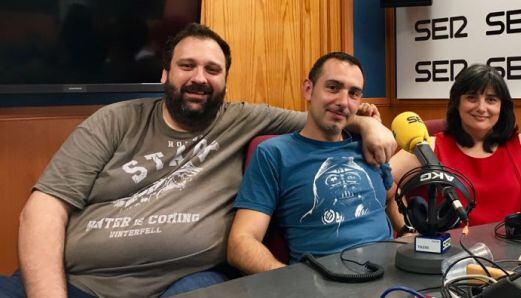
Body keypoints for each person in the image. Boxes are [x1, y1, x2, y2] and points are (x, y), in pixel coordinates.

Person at [2, 24, 396, 298]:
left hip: (185, 282)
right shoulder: (115, 120)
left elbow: (325, 118)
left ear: (225, 80)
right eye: (187, 66)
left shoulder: (244, 119)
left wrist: (367, 125)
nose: (200, 78)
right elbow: (43, 210)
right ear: (165, 74)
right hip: (79, 281)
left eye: (213, 69)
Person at [227, 52, 392, 273]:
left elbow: (389, 194)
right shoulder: (274, 153)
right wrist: (293, 285)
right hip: (327, 282)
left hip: (392, 271)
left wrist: (409, 232)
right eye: (333, 87)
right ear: (308, 89)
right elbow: (241, 242)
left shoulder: (368, 142)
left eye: (353, 93)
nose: (343, 102)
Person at [387, 64, 521, 235]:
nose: (481, 107)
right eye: (472, 98)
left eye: (491, 99)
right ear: (457, 103)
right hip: (453, 261)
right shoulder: (428, 147)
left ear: (501, 107)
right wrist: (406, 229)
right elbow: (381, 182)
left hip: (520, 255)